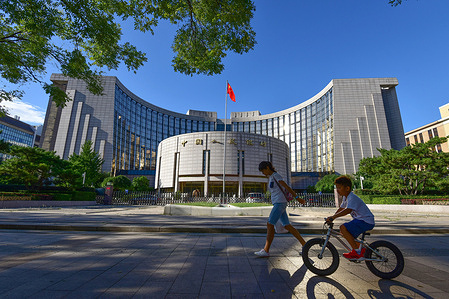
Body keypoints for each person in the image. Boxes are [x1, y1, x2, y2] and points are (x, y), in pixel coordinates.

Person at [254, 161, 307, 257]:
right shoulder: (271, 177)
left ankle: (266, 250)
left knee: (270, 224)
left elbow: (286, 187)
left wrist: (297, 198)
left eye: (263, 171)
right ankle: (305, 245)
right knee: (287, 225)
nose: (263, 173)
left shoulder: (276, 176)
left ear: (267, 167)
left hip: (280, 203)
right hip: (279, 203)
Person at [326, 175, 375, 260]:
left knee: (343, 227)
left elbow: (347, 210)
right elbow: (341, 208)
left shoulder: (352, 197)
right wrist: (332, 217)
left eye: (339, 188)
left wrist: (333, 217)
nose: (337, 190)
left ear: (347, 188)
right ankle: (362, 249)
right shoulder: (346, 197)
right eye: (336, 188)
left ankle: (356, 252)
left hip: (365, 221)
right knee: (344, 232)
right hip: (362, 220)